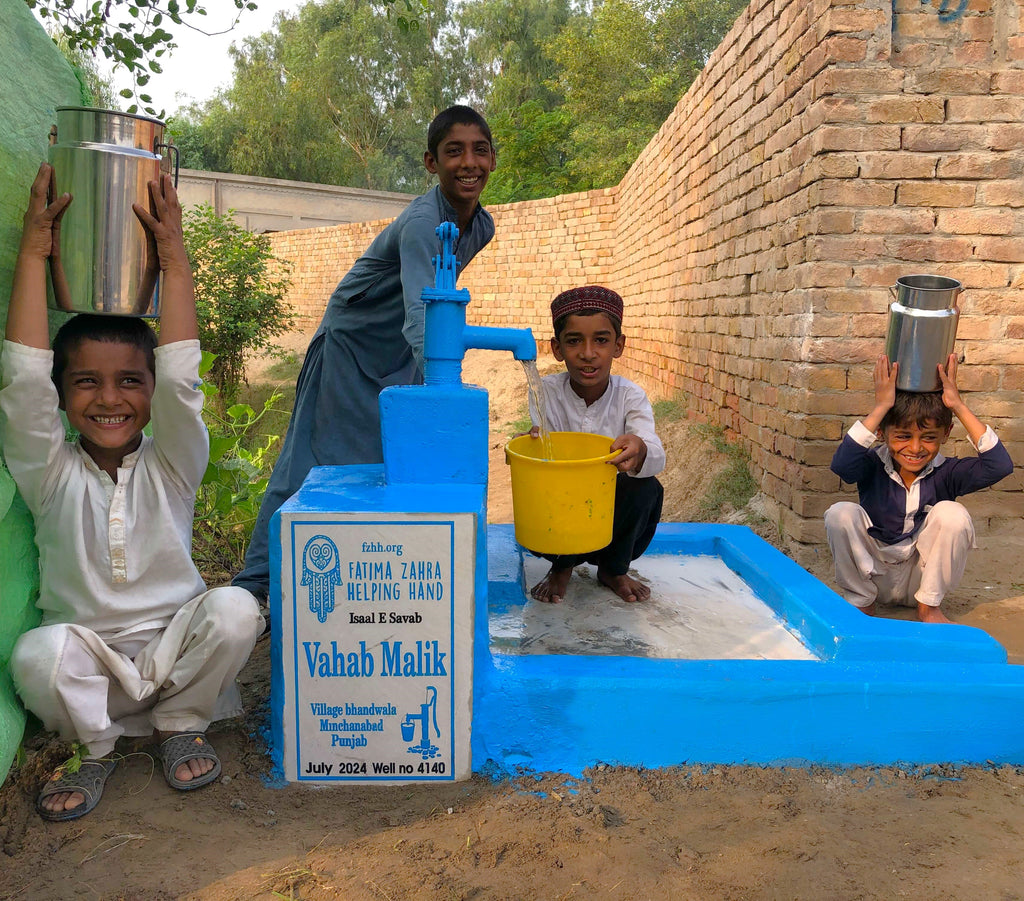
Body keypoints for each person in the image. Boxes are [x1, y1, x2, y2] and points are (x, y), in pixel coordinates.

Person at [0, 164, 264, 822]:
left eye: (128, 381)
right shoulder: (48, 469)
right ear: (64, 396)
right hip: (89, 672)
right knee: (35, 654)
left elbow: (180, 381)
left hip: (178, 656)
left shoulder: (175, 462)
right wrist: (34, 252)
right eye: (86, 381)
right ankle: (94, 747)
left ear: (147, 391)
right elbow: (23, 382)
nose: (110, 398)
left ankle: (179, 723)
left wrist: (174, 257)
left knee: (236, 609)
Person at [233, 105, 497, 600]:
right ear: (430, 163)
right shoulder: (423, 221)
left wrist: (424, 369)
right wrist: (445, 382)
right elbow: (423, 311)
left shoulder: (480, 227)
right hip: (349, 343)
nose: (468, 163)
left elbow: (433, 299)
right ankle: (254, 590)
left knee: (384, 461)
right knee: (308, 467)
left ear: (494, 160)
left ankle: (357, 582)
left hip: (396, 347)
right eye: (453, 151)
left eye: (479, 150)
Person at [825, 353, 1013, 624]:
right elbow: (842, 466)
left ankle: (928, 608)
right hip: (874, 577)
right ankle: (861, 603)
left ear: (945, 435)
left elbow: (1000, 466)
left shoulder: (948, 472)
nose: (915, 448)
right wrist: (881, 407)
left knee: (953, 513)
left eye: (928, 438)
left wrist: (957, 405)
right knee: (840, 513)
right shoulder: (871, 464)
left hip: (921, 581)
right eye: (902, 436)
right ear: (882, 433)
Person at [527, 285, 665, 605]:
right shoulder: (544, 391)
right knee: (541, 485)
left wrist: (640, 448)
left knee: (646, 487)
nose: (588, 353)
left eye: (601, 340)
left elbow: (656, 454)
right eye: (574, 341)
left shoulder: (630, 395)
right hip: (564, 506)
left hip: (610, 516)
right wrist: (533, 446)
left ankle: (613, 569)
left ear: (618, 346)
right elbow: (549, 452)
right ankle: (562, 566)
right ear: (557, 348)